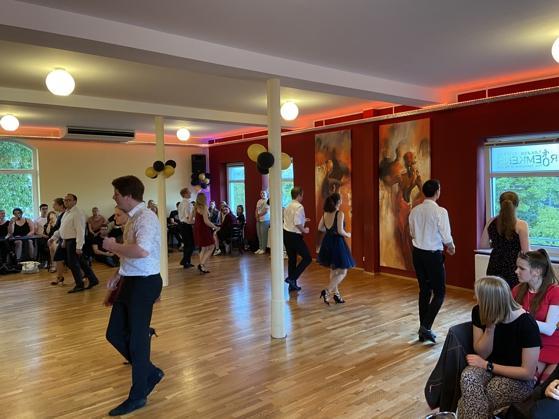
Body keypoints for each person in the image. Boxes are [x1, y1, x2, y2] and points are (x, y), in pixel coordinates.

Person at [102, 175, 164, 416]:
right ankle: (150, 372)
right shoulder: (133, 219)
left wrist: (112, 246)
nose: (114, 197)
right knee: (114, 333)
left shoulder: (146, 217)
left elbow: (141, 250)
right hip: (130, 280)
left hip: (145, 283)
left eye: (116, 194)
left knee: (138, 341)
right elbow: (131, 254)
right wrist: (118, 274)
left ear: (128, 196)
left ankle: (138, 396)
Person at [456, 276, 541, 418]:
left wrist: (487, 365)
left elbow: (527, 373)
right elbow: (482, 353)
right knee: (468, 377)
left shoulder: (526, 323)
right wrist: (490, 327)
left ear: (490, 302)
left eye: (478, 296)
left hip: (518, 379)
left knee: (478, 396)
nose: (474, 298)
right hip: (488, 368)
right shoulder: (479, 311)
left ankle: (461, 410)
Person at [409, 179, 455, 343]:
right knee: (440, 293)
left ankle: (423, 331)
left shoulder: (414, 211)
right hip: (433, 255)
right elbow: (445, 234)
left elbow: (412, 233)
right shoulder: (440, 211)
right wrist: (451, 247)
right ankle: (426, 327)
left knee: (424, 290)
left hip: (417, 254)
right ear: (437, 192)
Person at [513, 249, 559, 382]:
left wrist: (522, 315)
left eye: (522, 268)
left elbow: (549, 329)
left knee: (547, 384)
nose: (516, 271)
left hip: (552, 344)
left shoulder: (554, 292)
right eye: (517, 267)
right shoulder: (517, 290)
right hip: (531, 344)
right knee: (530, 381)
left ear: (537, 271)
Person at [49, 194, 99, 293]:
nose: (66, 202)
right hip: (68, 241)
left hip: (73, 241)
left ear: (75, 201)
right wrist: (53, 237)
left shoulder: (77, 213)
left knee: (73, 264)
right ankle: (93, 279)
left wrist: (79, 246)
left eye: (69, 200)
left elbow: (80, 230)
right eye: (65, 200)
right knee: (81, 262)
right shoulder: (66, 213)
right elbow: (62, 229)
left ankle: (79, 285)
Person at [480, 191, 529, 288]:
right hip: (513, 266)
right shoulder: (521, 225)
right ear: (517, 205)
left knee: (494, 292)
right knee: (512, 293)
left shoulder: (491, 221)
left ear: (500, 204)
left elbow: (483, 245)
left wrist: (496, 244)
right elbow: (526, 251)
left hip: (494, 263)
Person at [317, 192, 354, 304]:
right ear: (338, 202)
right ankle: (327, 291)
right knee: (343, 271)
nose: (342, 200)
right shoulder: (339, 213)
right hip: (337, 242)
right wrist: (348, 234)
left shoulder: (325, 213)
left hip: (327, 242)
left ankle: (336, 295)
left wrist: (329, 231)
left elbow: (320, 228)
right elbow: (340, 231)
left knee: (334, 270)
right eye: (341, 199)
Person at [283, 186, 312, 292]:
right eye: (302, 195)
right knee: (307, 258)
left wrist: (303, 219)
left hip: (286, 235)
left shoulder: (288, 205)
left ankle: (292, 285)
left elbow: (290, 220)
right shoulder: (299, 207)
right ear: (299, 195)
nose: (302, 197)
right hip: (295, 236)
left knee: (292, 260)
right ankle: (292, 278)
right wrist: (305, 230)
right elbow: (297, 223)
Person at [193, 193, 219, 274]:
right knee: (212, 246)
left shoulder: (195, 207)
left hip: (198, 229)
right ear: (203, 199)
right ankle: (201, 264)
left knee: (203, 248)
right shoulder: (204, 207)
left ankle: (202, 266)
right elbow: (206, 221)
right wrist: (215, 227)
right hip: (204, 229)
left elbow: (190, 219)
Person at [178, 188, 195, 269]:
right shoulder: (188, 203)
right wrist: (195, 222)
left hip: (182, 225)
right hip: (186, 226)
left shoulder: (181, 203)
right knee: (191, 245)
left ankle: (186, 262)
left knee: (187, 245)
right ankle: (185, 261)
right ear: (185, 194)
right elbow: (188, 216)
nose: (190, 193)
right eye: (189, 192)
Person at [255, 190, 270, 254]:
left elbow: (266, 211)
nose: (262, 194)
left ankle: (263, 249)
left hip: (265, 220)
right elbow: (256, 209)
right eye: (261, 193)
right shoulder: (259, 201)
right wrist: (256, 217)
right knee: (259, 234)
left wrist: (258, 215)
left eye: (263, 193)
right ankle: (260, 248)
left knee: (263, 235)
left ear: (266, 194)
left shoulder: (268, 200)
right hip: (258, 220)